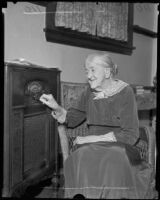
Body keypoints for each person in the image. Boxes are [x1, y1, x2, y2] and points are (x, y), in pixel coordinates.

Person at [40, 53, 152, 199]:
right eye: (86, 71)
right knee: (81, 155)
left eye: (93, 70)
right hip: (92, 146)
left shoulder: (126, 91)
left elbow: (130, 134)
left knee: (114, 157)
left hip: (121, 144)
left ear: (107, 72)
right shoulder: (88, 91)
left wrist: (88, 139)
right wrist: (57, 108)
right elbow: (72, 119)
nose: (89, 75)